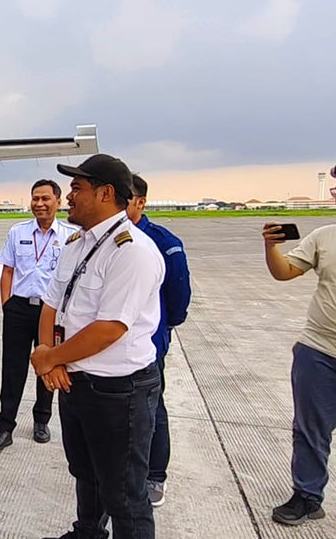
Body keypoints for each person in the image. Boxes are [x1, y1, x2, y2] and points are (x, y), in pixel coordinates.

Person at [31, 154, 164, 539]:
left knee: (124, 494)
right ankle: (88, 532)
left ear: (106, 194)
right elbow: (52, 304)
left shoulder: (133, 250)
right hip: (74, 382)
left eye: (77, 188)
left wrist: (50, 357)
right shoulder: (76, 243)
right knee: (85, 472)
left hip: (119, 393)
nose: (68, 196)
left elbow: (110, 328)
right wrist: (49, 359)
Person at [262, 160, 336, 526]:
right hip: (321, 349)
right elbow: (285, 272)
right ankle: (307, 495)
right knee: (310, 429)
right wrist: (271, 248)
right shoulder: (325, 237)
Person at [0, 179, 77, 451]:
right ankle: (5, 426)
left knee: (46, 364)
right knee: (12, 369)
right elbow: (8, 271)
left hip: (51, 312)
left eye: (45, 198)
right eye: (35, 198)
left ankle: (42, 420)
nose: (39, 204)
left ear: (58, 202)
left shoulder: (71, 236)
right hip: (19, 308)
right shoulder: (18, 232)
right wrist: (7, 305)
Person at [126, 174, 191, 507]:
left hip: (149, 344)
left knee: (153, 410)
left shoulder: (162, 242)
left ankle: (155, 475)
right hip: (111, 347)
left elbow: (179, 297)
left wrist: (162, 328)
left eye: (129, 198)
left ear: (141, 202)